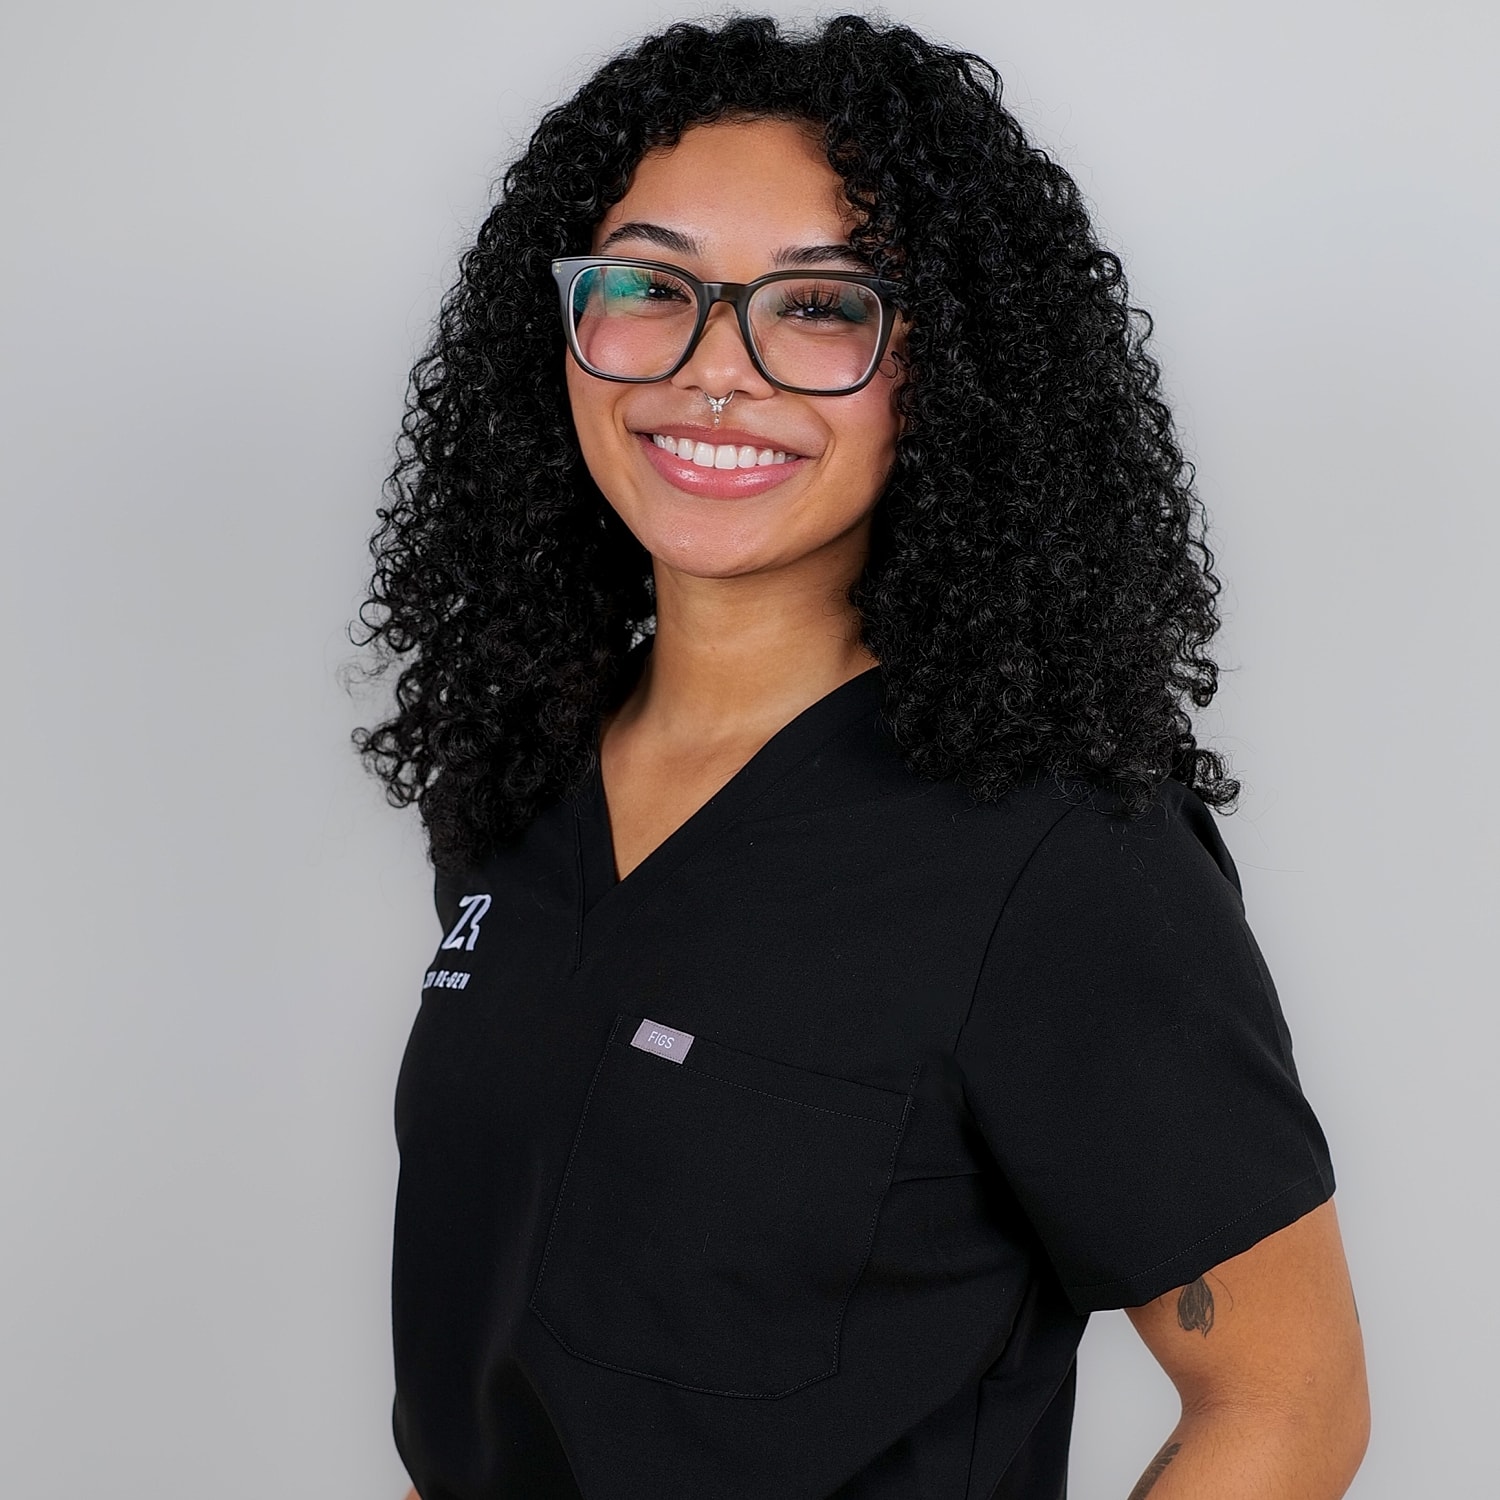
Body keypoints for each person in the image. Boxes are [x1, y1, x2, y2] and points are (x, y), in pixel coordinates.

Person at [355, 14, 1369, 1499]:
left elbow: (1286, 1403)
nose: (714, 372)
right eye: (651, 286)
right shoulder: (522, 777)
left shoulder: (1058, 859)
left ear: (945, 370)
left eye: (822, 307)